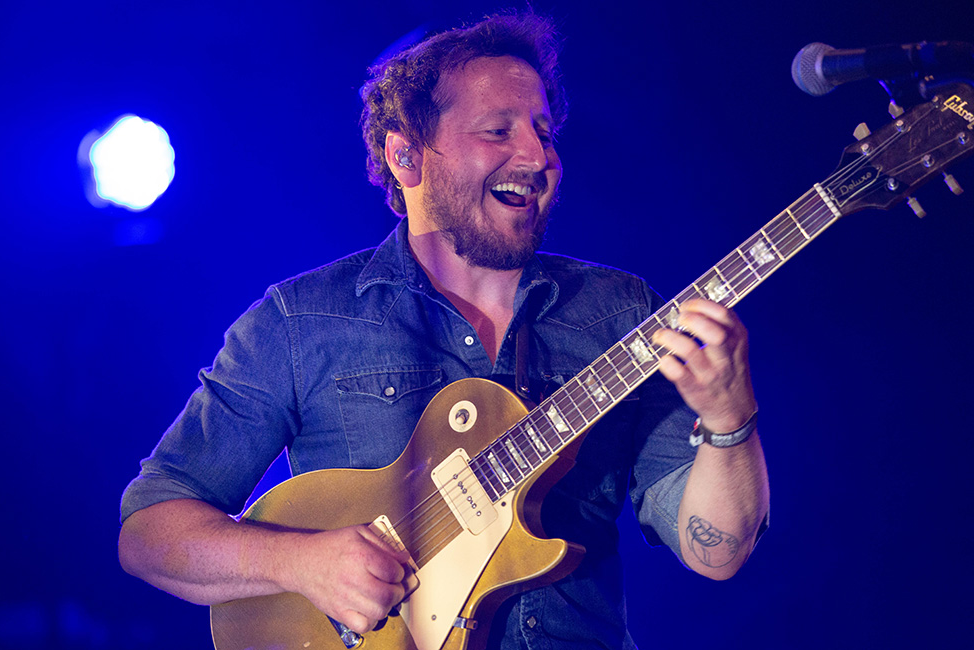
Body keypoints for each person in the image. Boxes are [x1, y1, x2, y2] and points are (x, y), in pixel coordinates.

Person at [118, 12, 769, 649]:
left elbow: (717, 550)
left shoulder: (622, 314)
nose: (537, 155)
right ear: (405, 154)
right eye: (498, 130)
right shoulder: (301, 323)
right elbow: (150, 532)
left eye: (545, 131)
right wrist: (303, 565)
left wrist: (729, 418)